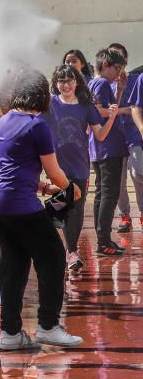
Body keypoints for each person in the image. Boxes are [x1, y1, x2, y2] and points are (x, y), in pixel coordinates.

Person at [0, 68, 83, 350]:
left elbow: (8, 166)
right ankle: (48, 326)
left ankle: (10, 334)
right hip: (18, 206)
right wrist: (71, 190)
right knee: (52, 258)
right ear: (42, 95)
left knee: (14, 263)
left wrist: (41, 189)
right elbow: (56, 173)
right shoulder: (38, 126)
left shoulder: (2, 122)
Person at [46, 64, 118, 270]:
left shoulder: (85, 105)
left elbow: (101, 135)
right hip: (57, 166)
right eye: (61, 81)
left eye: (69, 80)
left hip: (79, 166)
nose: (66, 85)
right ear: (56, 84)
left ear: (76, 82)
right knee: (65, 206)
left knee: (75, 208)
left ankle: (71, 251)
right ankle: (67, 247)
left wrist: (111, 117)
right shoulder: (50, 104)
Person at [88, 48, 128, 256]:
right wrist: (121, 110)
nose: (119, 72)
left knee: (101, 193)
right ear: (105, 65)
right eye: (117, 68)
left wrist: (120, 90)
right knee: (109, 195)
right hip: (108, 146)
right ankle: (103, 240)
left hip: (98, 146)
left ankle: (102, 238)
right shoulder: (102, 83)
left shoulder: (93, 83)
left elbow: (107, 107)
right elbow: (100, 111)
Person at [108, 44, 143, 234]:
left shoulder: (136, 79)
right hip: (113, 138)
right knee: (118, 181)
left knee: (138, 173)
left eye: (120, 58)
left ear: (126, 60)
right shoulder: (105, 83)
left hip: (133, 136)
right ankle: (125, 215)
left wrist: (119, 111)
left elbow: (136, 107)